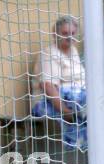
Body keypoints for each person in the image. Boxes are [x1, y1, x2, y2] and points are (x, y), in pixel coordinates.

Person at [31, 15, 87, 151]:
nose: (69, 37)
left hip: (75, 102)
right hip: (50, 103)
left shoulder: (73, 52)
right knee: (89, 101)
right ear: (55, 34)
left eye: (73, 33)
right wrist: (65, 112)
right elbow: (48, 86)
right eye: (65, 33)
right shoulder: (49, 53)